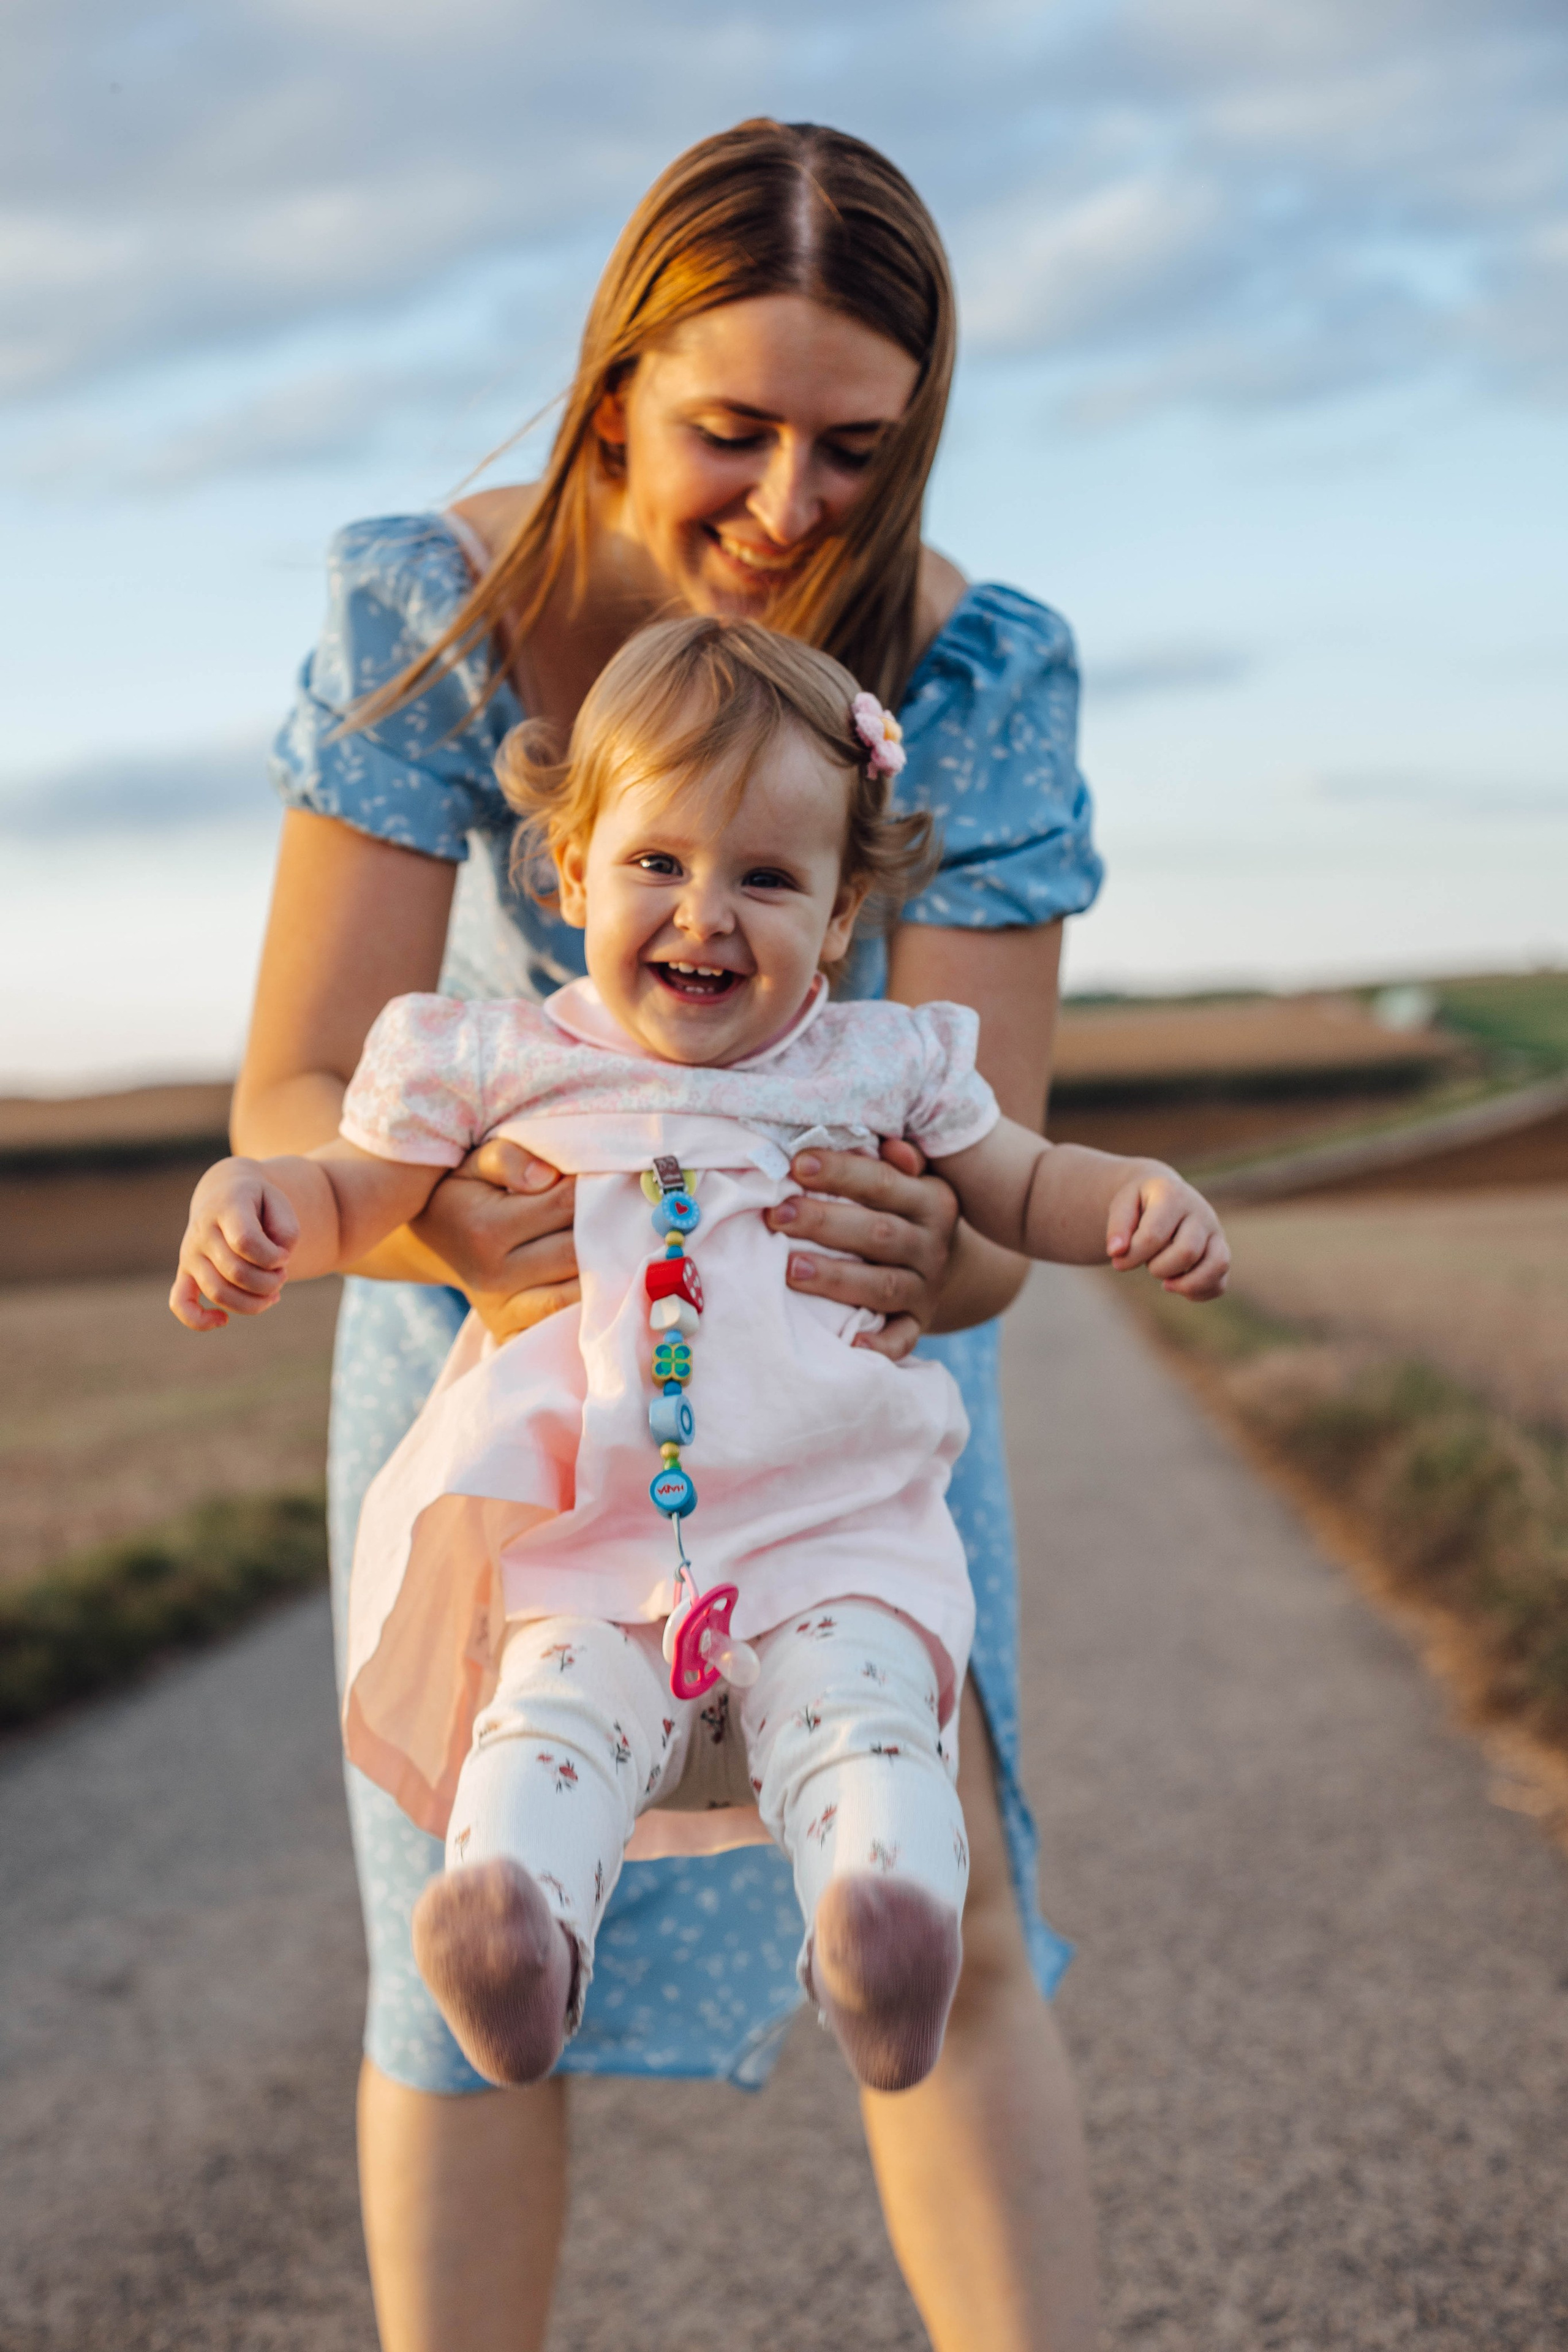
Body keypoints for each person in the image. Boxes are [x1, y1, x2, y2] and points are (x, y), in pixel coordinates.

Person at [245, 118, 1110, 2352]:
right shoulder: (429, 604)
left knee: (951, 1902)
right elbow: (298, 1077)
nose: (790, 509)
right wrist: (455, 1222)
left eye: (855, 450)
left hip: (842, 1359)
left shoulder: (978, 666)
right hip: (496, 1349)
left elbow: (997, 1177)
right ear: (613, 382)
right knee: (462, 1939)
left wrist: (955, 1254)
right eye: (734, 431)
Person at [178, 619, 1227, 2107]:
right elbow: (355, 1192)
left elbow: (1019, 1177)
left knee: (865, 1721)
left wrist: (1122, 1196)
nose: (705, 915)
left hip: (832, 1524)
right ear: (568, 871)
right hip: (587, 1534)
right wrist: (263, 1202)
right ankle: (514, 1926)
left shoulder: (882, 1060)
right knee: (550, 1716)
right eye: (659, 863)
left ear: (843, 904)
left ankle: (883, 1929)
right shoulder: (487, 1063)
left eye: (766, 877)